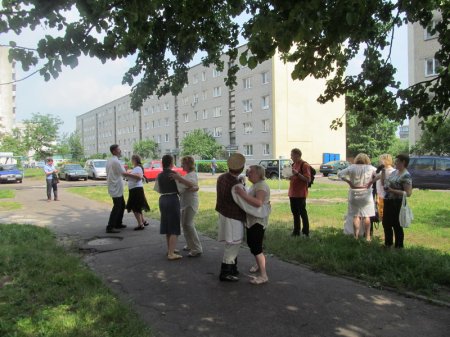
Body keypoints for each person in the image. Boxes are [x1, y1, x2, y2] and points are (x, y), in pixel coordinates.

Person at [234, 165, 271, 285]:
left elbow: (258, 202)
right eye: (248, 172)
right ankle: (259, 264)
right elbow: (252, 197)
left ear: (258, 174)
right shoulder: (256, 185)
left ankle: (263, 275)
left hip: (257, 221)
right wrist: (244, 189)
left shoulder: (261, 185)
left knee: (256, 247)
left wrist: (242, 194)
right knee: (253, 244)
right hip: (253, 219)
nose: (248, 174)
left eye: (250, 172)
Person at [216, 153, 246, 282]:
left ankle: (233, 268)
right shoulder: (236, 185)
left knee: (232, 243)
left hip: (223, 213)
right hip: (233, 216)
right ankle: (226, 272)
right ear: (241, 168)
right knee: (233, 243)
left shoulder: (221, 177)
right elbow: (243, 203)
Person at [338, 153, 377, 241]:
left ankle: (356, 236)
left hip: (354, 192)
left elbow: (340, 174)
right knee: (367, 216)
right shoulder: (370, 168)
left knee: (356, 216)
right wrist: (372, 182)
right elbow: (381, 173)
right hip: (366, 193)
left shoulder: (352, 167)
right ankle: (367, 237)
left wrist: (349, 182)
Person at [171, 155, 203, 257]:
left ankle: (197, 248)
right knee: (185, 225)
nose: (181, 165)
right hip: (185, 203)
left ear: (189, 164)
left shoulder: (192, 174)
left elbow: (191, 184)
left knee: (189, 224)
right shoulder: (188, 174)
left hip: (191, 203)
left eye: (183, 163)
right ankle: (190, 245)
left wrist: (179, 177)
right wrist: (179, 177)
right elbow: (186, 184)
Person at [155, 154, 182, 260]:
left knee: (167, 225)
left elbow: (157, 189)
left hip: (162, 199)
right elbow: (181, 189)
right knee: (174, 226)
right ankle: (171, 254)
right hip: (172, 199)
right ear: (171, 163)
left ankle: (170, 249)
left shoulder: (159, 175)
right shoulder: (174, 174)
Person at [382, 154, 412, 248]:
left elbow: (408, 193)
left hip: (397, 203)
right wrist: (383, 172)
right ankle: (388, 244)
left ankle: (399, 246)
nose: (395, 163)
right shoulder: (395, 172)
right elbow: (384, 183)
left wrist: (392, 190)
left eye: (397, 161)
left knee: (397, 225)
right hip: (388, 200)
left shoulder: (406, 175)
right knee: (386, 223)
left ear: (403, 162)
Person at [106, 144, 136, 233]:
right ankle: (110, 226)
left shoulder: (111, 160)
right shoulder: (115, 161)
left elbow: (120, 172)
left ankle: (118, 223)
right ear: (114, 151)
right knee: (117, 206)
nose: (120, 151)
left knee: (122, 205)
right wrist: (136, 177)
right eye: (118, 149)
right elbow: (124, 173)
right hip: (115, 187)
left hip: (115, 186)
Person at [288, 148, 311, 237]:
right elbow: (293, 176)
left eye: (292, 155)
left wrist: (297, 173)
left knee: (302, 213)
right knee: (295, 213)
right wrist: (289, 176)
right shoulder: (293, 164)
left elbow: (307, 179)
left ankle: (305, 232)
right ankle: (296, 231)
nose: (291, 157)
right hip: (292, 193)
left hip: (300, 193)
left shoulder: (304, 165)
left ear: (297, 155)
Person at [125, 154, 151, 231]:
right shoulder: (137, 168)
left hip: (136, 190)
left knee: (134, 207)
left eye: (132, 160)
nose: (131, 161)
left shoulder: (138, 168)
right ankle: (143, 221)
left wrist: (127, 174)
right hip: (135, 189)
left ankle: (140, 224)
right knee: (138, 206)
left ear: (135, 160)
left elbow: (139, 177)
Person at [375, 154, 395, 221]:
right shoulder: (381, 170)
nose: (380, 162)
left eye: (381, 160)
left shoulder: (392, 171)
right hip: (381, 195)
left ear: (386, 160)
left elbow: (383, 184)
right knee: (381, 212)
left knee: (386, 213)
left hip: (387, 196)